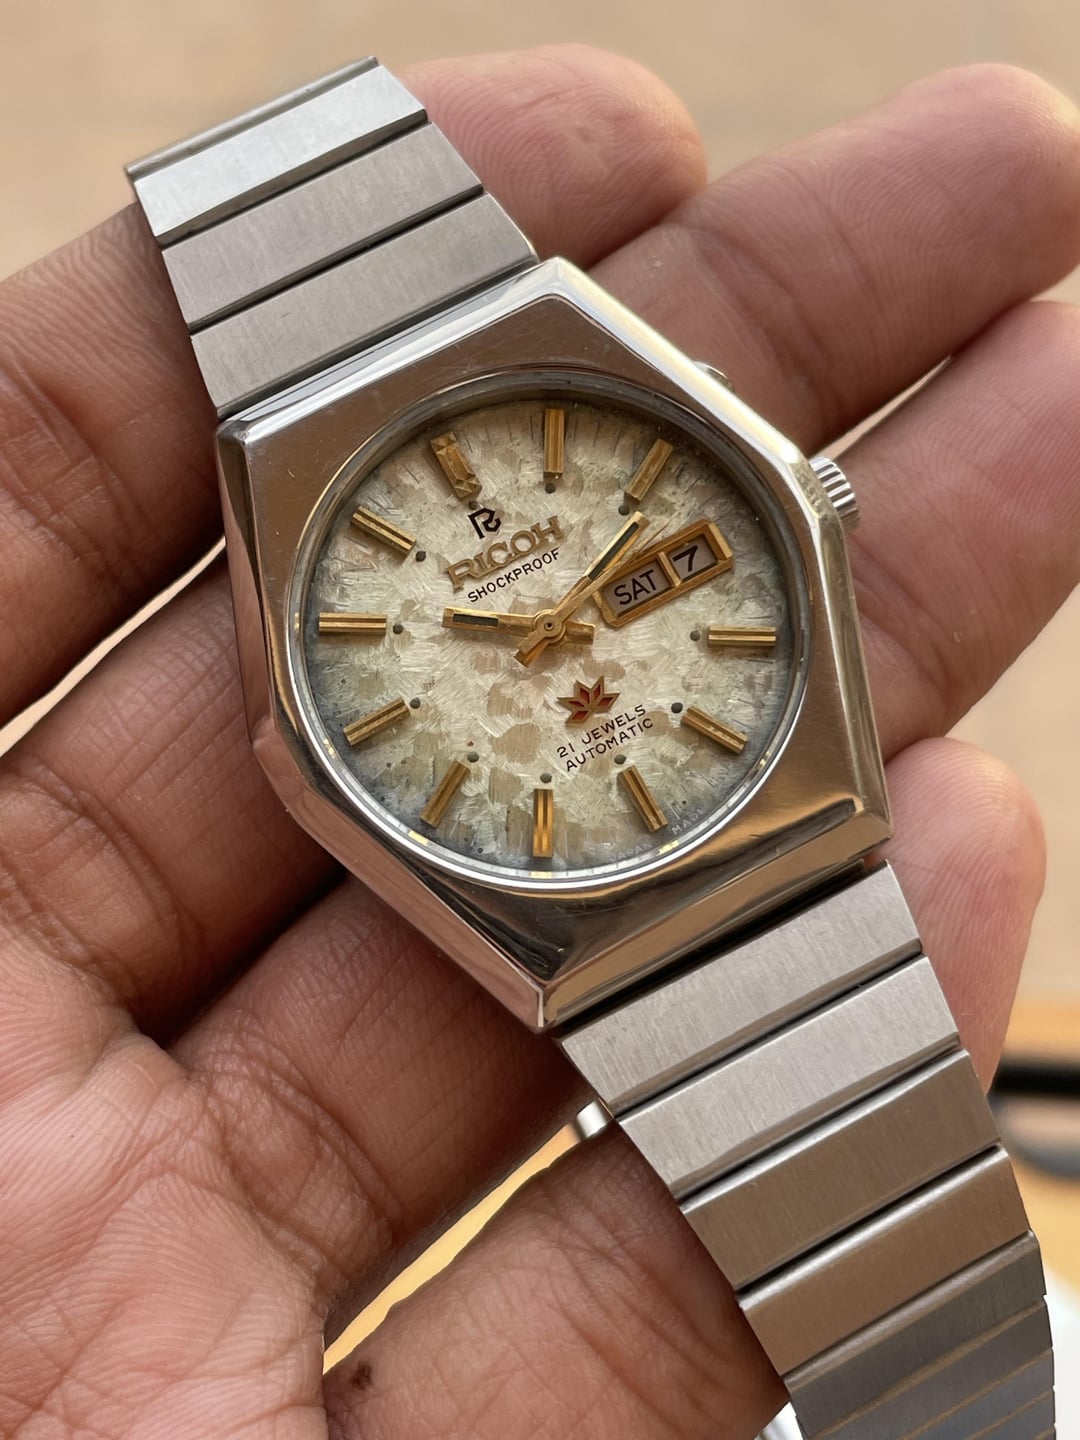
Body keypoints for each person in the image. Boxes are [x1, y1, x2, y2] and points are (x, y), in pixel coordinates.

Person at [0, 43, 1076, 1440]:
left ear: (797, 498)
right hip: (600, 900)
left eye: (572, 617)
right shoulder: (322, 714)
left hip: (771, 819)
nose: (555, 639)